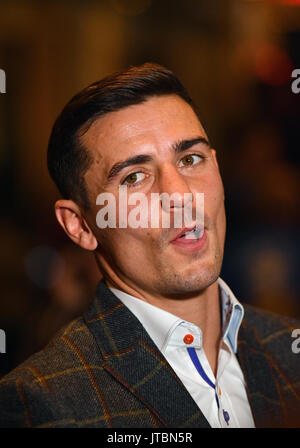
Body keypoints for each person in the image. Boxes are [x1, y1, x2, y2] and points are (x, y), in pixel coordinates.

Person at [0, 63, 299, 428]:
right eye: (134, 177)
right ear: (80, 225)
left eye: (190, 159)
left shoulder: (289, 349)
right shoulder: (44, 401)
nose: (180, 194)